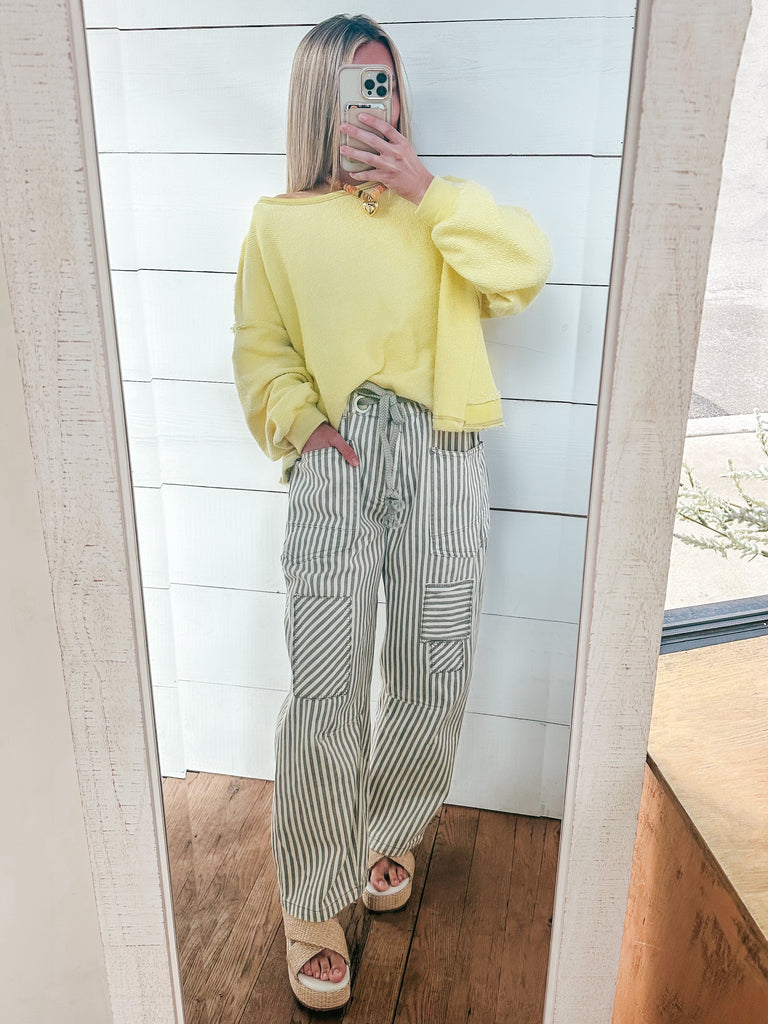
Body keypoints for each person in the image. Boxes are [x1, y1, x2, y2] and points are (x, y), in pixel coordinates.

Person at [231, 13, 552, 1012]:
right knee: (325, 681)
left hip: (444, 452)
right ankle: (312, 896)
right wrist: (304, 426)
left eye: (389, 84)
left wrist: (427, 189)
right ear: (317, 101)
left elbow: (523, 271)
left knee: (433, 661)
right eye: (358, 87)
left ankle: (390, 830)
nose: (381, 104)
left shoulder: (437, 208)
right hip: (340, 455)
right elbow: (261, 349)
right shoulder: (278, 224)